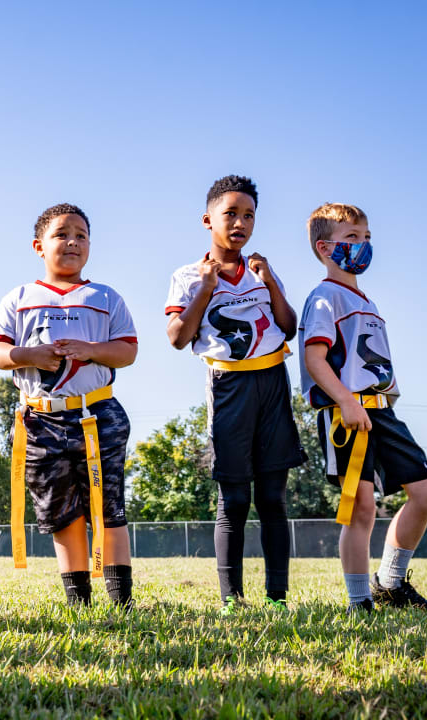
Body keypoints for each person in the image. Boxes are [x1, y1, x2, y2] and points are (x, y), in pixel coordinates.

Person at [164, 175, 304, 614]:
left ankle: (277, 598)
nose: (240, 222)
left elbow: (288, 326)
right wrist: (206, 287)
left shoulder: (263, 269)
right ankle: (232, 600)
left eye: (249, 215)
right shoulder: (188, 275)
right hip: (229, 387)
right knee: (235, 498)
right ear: (208, 220)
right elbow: (176, 337)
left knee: (272, 498)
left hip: (273, 384)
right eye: (231, 214)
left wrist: (270, 282)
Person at [0, 203, 137, 607]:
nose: (72, 241)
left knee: (107, 507)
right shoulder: (19, 297)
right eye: (61, 234)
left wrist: (91, 350)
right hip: (41, 418)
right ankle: (78, 600)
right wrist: (28, 356)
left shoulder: (105, 296)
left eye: (81, 235)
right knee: (61, 512)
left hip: (96, 415)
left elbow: (128, 350)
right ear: (39, 245)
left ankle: (120, 601)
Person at [298, 202, 427, 613]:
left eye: (366, 238)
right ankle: (359, 601)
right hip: (348, 413)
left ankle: (391, 582)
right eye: (351, 239)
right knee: (362, 506)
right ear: (325, 248)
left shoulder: (368, 301)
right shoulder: (326, 296)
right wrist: (345, 401)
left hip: (382, 411)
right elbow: (315, 359)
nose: (362, 246)